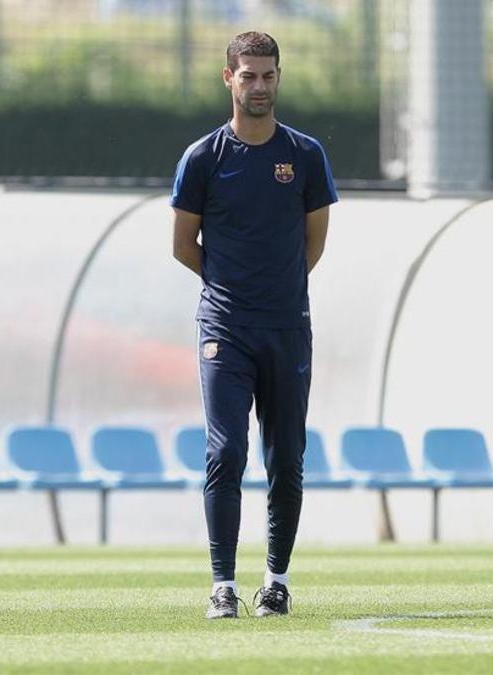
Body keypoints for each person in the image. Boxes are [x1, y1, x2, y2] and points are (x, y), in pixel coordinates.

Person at [170, 31, 338, 619]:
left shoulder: (306, 155)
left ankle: (277, 581)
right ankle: (222, 585)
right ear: (229, 79)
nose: (258, 86)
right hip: (226, 328)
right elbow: (183, 246)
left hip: (288, 327)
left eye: (267, 75)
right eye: (248, 76)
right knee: (226, 451)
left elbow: (313, 242)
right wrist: (230, 292)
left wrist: (278, 289)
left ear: (278, 78)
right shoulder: (203, 158)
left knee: (286, 455)